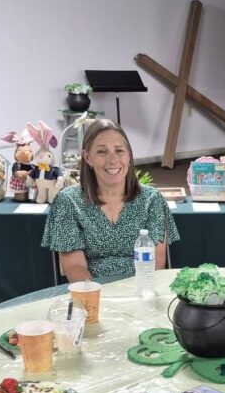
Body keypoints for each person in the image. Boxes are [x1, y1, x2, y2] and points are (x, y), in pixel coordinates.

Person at [41, 119, 179, 282]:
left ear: (129, 156)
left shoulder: (152, 199)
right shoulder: (68, 202)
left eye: (119, 151)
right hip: (92, 294)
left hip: (141, 292)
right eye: (102, 152)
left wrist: (133, 300)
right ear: (87, 157)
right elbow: (75, 267)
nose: (113, 159)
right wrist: (100, 301)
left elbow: (156, 264)